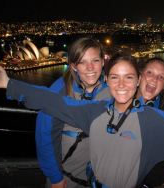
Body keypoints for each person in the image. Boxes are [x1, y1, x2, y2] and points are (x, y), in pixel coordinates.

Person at [0, 53, 164, 188]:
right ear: (108, 80)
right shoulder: (94, 111)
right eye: (115, 77)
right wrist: (9, 84)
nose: (121, 84)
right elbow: (55, 103)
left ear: (137, 81)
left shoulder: (155, 121)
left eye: (129, 77)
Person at [35, 37, 111, 188]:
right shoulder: (60, 90)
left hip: (99, 178)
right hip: (66, 179)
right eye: (82, 62)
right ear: (74, 66)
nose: (90, 68)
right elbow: (45, 135)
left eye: (95, 60)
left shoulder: (113, 89)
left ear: (103, 61)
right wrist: (55, 178)